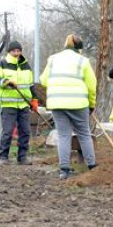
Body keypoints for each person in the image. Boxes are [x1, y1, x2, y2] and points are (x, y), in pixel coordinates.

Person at [40, 34, 97, 179]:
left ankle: (64, 170)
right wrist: (91, 104)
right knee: (84, 134)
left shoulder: (52, 59)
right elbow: (92, 85)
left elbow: (43, 80)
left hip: (57, 103)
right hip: (78, 104)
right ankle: (92, 165)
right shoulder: (83, 61)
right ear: (79, 50)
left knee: (63, 135)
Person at [0, 40, 35, 165]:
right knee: (7, 131)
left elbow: (31, 85)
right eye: (14, 51)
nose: (16, 53)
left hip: (24, 104)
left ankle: (22, 157)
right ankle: (3, 156)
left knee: (25, 131)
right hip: (8, 104)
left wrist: (35, 99)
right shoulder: (2, 64)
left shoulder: (26, 66)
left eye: (18, 51)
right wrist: (6, 82)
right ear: (9, 52)